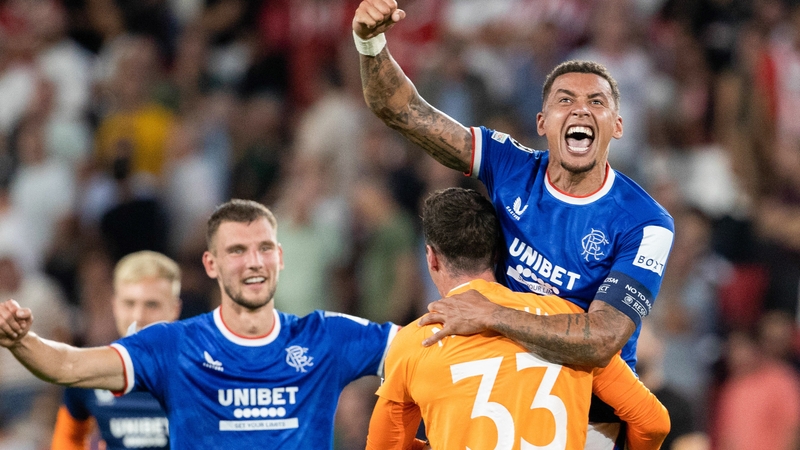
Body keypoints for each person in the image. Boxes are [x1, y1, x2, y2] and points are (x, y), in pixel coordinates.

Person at [353, 2, 674, 446]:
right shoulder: (509, 165)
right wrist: (370, 42)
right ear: (543, 122)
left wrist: (493, 314)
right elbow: (404, 111)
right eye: (566, 100)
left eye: (596, 102)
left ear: (617, 125)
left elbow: (602, 338)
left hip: (588, 413)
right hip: (501, 375)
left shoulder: (647, 223)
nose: (580, 110)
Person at [0, 199, 400, 448]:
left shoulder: (325, 337)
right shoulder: (173, 346)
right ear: (211, 264)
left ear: (280, 256)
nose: (254, 262)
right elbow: (67, 365)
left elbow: (416, 347)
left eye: (263, 249)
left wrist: (462, 305)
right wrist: (21, 342)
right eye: (237, 251)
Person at [366, 187, 670, 450]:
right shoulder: (570, 324)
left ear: (431, 257)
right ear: (499, 253)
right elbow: (653, 422)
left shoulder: (414, 342)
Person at [51, 251, 182, 450]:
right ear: (115, 306)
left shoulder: (204, 369)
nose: (138, 316)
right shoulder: (90, 369)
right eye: (129, 303)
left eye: (152, 304)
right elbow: (68, 438)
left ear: (174, 309)